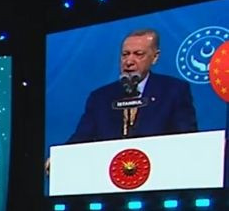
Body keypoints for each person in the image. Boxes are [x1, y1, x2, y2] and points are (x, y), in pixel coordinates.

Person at [67, 28, 198, 144]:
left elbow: (187, 139)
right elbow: (80, 139)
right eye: (125, 54)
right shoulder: (100, 98)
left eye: (138, 54)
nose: (129, 61)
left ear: (155, 57)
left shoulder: (173, 90)